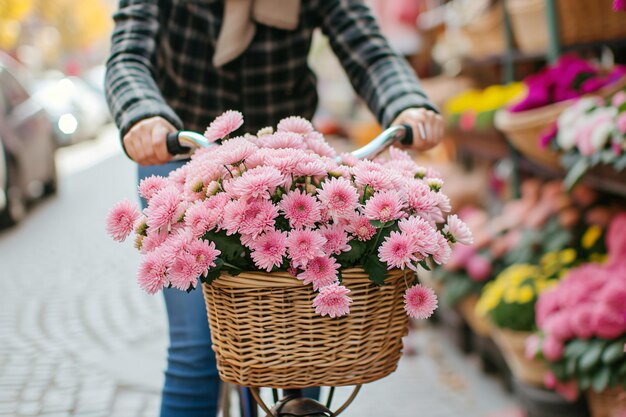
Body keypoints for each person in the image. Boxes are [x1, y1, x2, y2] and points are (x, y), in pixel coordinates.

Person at [105, 1, 445, 416]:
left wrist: (406, 104)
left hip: (291, 168)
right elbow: (128, 55)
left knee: (304, 345)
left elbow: (368, 49)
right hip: (184, 156)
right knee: (199, 348)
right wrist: (143, 116)